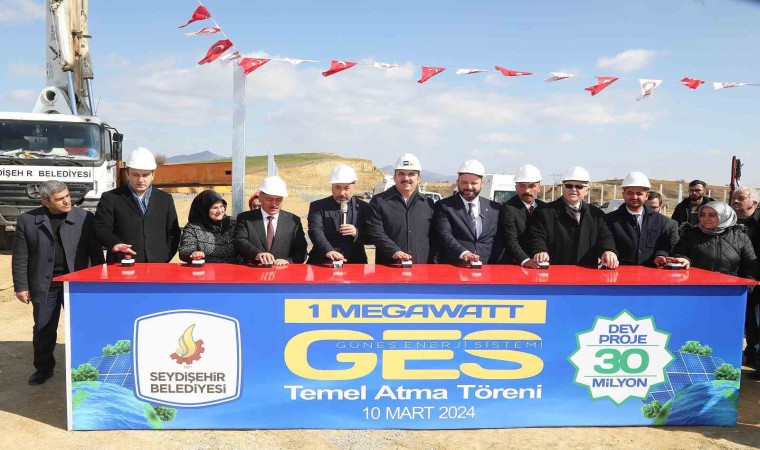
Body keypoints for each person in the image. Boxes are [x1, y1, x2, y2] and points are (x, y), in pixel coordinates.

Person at [12, 180, 105, 385]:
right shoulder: (27, 221)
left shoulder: (85, 218)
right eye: (60, 199)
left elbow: (96, 254)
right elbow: (20, 257)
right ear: (45, 202)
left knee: (84, 327)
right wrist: (21, 286)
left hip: (77, 284)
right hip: (45, 284)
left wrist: (98, 282)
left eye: (67, 196)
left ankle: (88, 368)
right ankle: (43, 369)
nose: (67, 201)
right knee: (43, 329)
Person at [94, 147, 180, 263]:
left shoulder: (165, 199)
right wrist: (115, 243)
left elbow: (173, 232)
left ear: (153, 175)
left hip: (158, 266)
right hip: (122, 265)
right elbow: (101, 228)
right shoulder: (111, 198)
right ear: (127, 174)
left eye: (145, 175)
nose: (140, 180)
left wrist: (166, 255)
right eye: (135, 175)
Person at [528, 166, 618, 268]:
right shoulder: (544, 213)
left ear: (587, 190)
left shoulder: (597, 215)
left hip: (587, 272)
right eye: (569, 186)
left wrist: (608, 250)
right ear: (563, 188)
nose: (573, 189)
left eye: (579, 186)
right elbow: (537, 237)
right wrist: (540, 250)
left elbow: (605, 237)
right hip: (556, 272)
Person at [367, 153, 435, 265]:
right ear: (394, 177)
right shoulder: (378, 202)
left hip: (421, 268)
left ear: (419, 178)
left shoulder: (428, 204)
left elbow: (434, 237)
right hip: (389, 267)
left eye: (411, 174)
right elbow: (375, 232)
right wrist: (394, 251)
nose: (406, 178)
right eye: (401, 174)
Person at [665, 201, 758, 281]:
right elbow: (678, 254)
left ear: (724, 216)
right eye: (702, 215)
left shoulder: (740, 237)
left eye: (712, 215)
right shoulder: (691, 235)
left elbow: (751, 265)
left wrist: (748, 287)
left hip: (729, 289)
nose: (705, 218)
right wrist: (684, 259)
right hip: (696, 286)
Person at [433, 159, 503, 265]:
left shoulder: (494, 208)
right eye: (464, 182)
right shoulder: (444, 206)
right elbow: (444, 234)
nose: (469, 187)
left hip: (487, 268)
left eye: (474, 183)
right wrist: (464, 253)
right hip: (456, 266)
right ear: (457, 182)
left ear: (482, 184)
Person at [234, 176, 307, 266]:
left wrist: (289, 261)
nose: (274, 204)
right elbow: (239, 242)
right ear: (260, 198)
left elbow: (301, 250)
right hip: (252, 270)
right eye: (269, 199)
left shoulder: (293, 221)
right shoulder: (245, 218)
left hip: (283, 272)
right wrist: (258, 254)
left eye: (278, 200)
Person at [307, 164, 370, 265]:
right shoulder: (318, 206)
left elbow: (373, 236)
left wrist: (356, 233)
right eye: (338, 187)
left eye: (346, 188)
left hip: (355, 263)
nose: (342, 193)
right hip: (323, 262)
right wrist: (328, 250)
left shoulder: (364, 207)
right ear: (331, 187)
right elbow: (315, 231)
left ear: (353, 187)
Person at [605, 172, 672, 266]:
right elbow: (607, 241)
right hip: (621, 271)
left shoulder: (660, 220)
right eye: (630, 193)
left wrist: (660, 255)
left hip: (650, 271)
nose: (634, 197)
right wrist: (609, 251)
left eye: (639, 193)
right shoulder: (610, 220)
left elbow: (664, 244)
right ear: (623, 194)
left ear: (646, 196)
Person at [731, 188, 760, 370]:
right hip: (732, 280)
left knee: (755, 321)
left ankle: (755, 354)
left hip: (757, 280)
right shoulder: (726, 221)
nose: (735, 201)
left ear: (754, 203)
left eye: (740, 198)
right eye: (734, 198)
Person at [499, 164, 546, 267]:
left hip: (542, 264)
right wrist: (525, 260)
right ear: (516, 187)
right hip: (518, 266)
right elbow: (510, 240)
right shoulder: (508, 209)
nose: (527, 191)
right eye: (522, 186)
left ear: (539, 187)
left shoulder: (545, 208)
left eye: (531, 186)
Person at [178, 190, 240, 264]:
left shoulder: (233, 223)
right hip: (206, 270)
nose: (220, 211)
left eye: (222, 206)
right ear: (204, 209)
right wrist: (194, 253)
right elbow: (185, 250)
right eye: (215, 208)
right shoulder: (193, 227)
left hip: (234, 269)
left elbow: (244, 243)